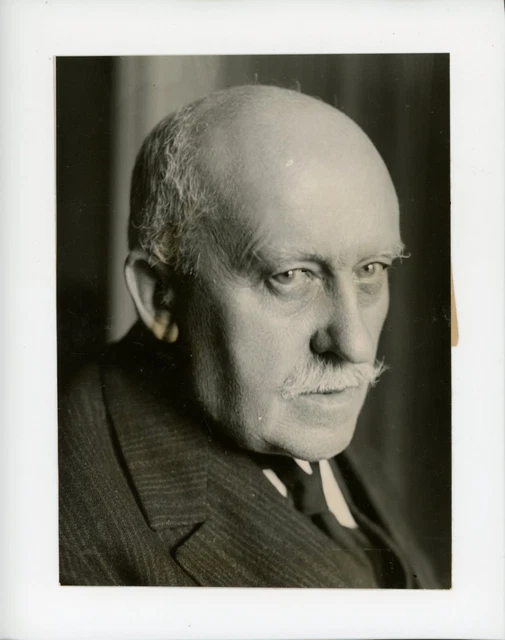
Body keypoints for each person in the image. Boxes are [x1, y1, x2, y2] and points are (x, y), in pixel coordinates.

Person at [59, 84, 439, 588]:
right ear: (160, 297)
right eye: (291, 276)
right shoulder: (65, 538)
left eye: (371, 268)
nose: (356, 345)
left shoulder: (288, 404)